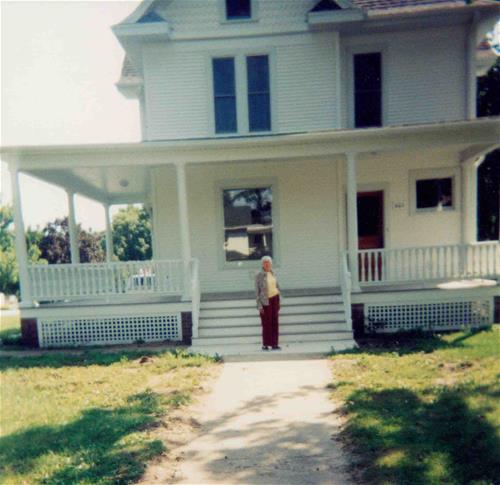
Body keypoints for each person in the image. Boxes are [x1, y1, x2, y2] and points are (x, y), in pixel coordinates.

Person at [255, 255, 281, 351]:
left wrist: (279, 301)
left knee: (275, 322)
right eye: (265, 263)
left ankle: (275, 344)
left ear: (271, 264)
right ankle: (265, 344)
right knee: (266, 323)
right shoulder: (259, 275)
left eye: (268, 262)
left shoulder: (273, 273)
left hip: (275, 299)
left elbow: (277, 286)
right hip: (265, 301)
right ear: (262, 264)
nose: (267, 264)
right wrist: (259, 305)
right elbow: (257, 291)